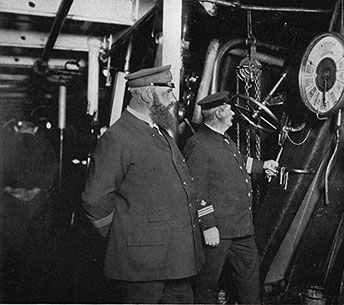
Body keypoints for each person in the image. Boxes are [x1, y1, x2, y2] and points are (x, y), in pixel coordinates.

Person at [81, 65, 207, 304]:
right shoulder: (118, 137)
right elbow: (94, 199)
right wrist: (122, 234)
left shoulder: (159, 133)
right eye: (168, 92)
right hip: (142, 262)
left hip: (175, 257)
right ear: (148, 94)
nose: (174, 99)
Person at [183, 91, 279, 304]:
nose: (233, 113)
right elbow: (195, 188)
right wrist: (207, 225)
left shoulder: (224, 140)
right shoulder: (198, 144)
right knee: (207, 285)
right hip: (218, 231)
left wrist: (263, 166)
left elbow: (238, 161)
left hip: (241, 229)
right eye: (229, 109)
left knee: (250, 282)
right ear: (218, 113)